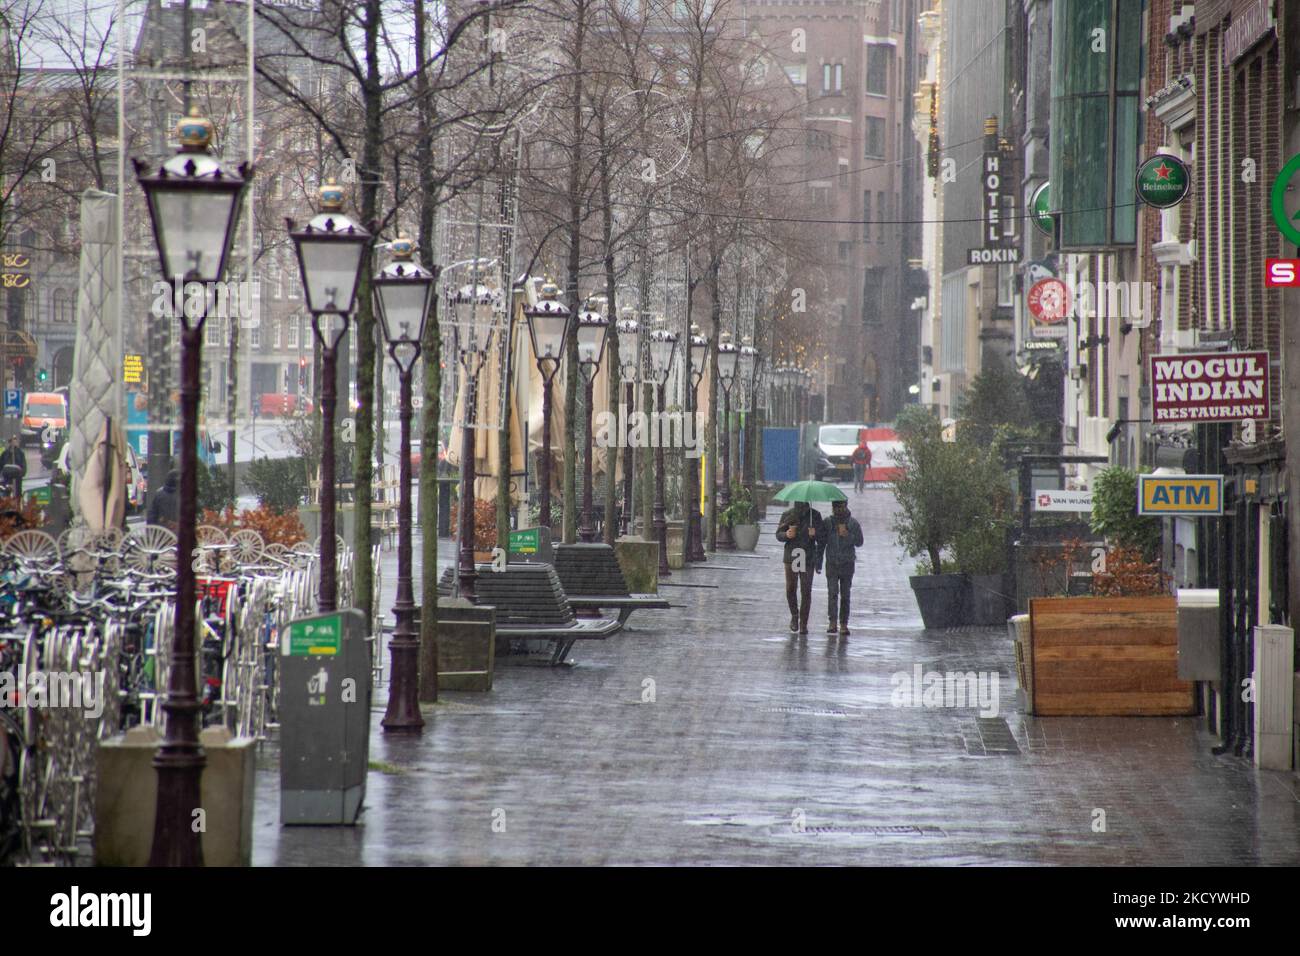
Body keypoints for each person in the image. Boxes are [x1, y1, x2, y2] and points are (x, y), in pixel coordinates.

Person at [776, 500, 825, 635]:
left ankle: (804, 623)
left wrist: (814, 534)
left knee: (806, 590)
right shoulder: (788, 515)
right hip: (791, 555)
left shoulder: (814, 516)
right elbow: (778, 534)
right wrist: (786, 535)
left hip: (808, 556)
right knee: (791, 588)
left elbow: (822, 538)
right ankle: (794, 615)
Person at [818, 499, 864, 635]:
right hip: (832, 563)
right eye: (835, 507)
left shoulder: (853, 523)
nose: (838, 509)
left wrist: (848, 535)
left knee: (845, 595)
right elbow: (821, 543)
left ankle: (844, 624)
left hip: (847, 563)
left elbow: (860, 542)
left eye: (841, 506)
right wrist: (818, 561)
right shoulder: (827, 522)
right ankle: (832, 622)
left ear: (846, 506)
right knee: (832, 593)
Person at [0, 435, 26, 501]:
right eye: (12, 440)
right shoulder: (5, 453)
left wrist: (22, 473)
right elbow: (1, 463)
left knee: (17, 492)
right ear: (10, 442)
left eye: (15, 440)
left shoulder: (20, 453)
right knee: (6, 491)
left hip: (17, 475)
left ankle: (17, 504)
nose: (14, 442)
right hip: (7, 475)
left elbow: (23, 464)